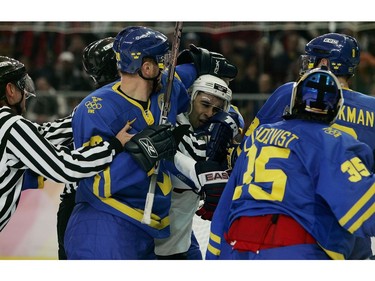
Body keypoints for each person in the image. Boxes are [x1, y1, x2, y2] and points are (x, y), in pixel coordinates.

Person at [63, 26, 232, 259]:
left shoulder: (167, 89)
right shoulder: (96, 109)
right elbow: (98, 184)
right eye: (163, 59)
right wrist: (141, 155)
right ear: (147, 67)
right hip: (105, 226)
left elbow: (187, 77)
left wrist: (198, 63)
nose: (168, 65)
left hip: (148, 230)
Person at [207, 67, 375, 260]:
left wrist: (214, 257)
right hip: (295, 249)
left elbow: (226, 204)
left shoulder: (259, 136)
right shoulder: (334, 142)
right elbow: (363, 209)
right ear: (336, 108)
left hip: (236, 246)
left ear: (295, 99)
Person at [0, 55, 137, 232]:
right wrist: (113, 146)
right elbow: (65, 167)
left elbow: (43, 135)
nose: (26, 93)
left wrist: (85, 116)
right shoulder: (10, 125)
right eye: (21, 86)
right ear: (10, 90)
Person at [155, 74, 243, 259]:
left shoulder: (208, 132)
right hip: (152, 243)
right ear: (190, 98)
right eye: (205, 104)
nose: (210, 113)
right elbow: (199, 156)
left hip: (181, 241)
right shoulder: (174, 124)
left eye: (217, 109)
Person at [56, 36, 120, 260]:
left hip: (77, 201)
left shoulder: (87, 105)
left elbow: (54, 134)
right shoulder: (119, 104)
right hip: (97, 203)